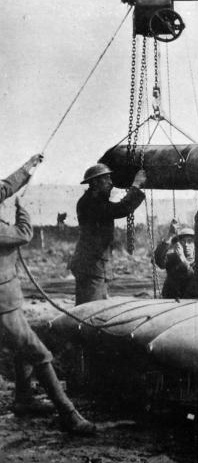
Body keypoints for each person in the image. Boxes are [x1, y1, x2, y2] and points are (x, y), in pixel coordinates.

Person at [0, 154, 95, 434]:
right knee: (40, 354)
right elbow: (24, 234)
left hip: (8, 303)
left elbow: (5, 186)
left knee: (23, 349)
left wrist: (27, 168)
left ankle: (23, 398)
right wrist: (22, 209)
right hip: (2, 306)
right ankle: (69, 414)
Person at [70, 163, 146, 305]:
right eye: (107, 179)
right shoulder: (90, 203)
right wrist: (135, 186)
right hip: (92, 266)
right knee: (91, 309)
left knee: (97, 306)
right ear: (95, 182)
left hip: (95, 265)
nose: (111, 183)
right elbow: (121, 209)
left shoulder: (93, 200)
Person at [154, 222, 196, 299]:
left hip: (190, 303)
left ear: (195, 244)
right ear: (178, 244)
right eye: (183, 241)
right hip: (169, 301)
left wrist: (183, 260)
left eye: (190, 241)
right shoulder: (173, 259)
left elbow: (193, 278)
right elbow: (157, 259)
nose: (186, 245)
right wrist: (169, 236)